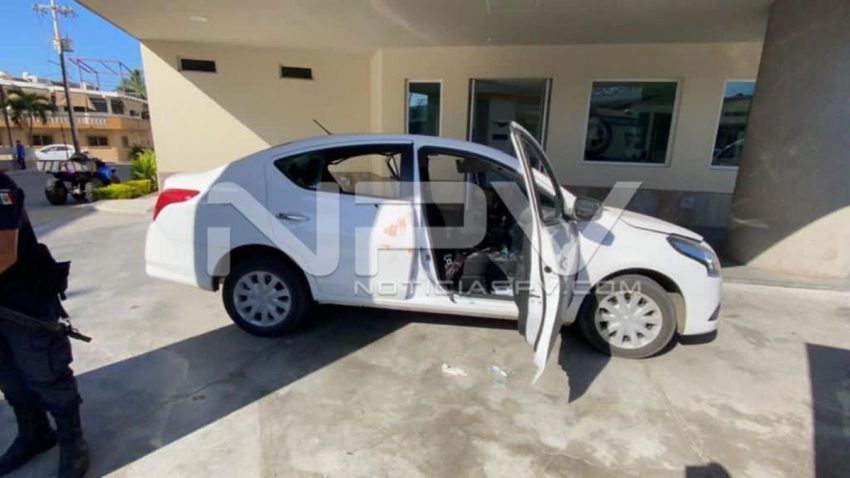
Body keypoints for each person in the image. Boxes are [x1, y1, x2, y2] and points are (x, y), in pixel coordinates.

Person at [0, 172, 89, 477]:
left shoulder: (2, 188)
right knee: (9, 377)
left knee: (47, 374)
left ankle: (72, 442)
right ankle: (35, 434)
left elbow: (4, 254)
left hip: (23, 301)